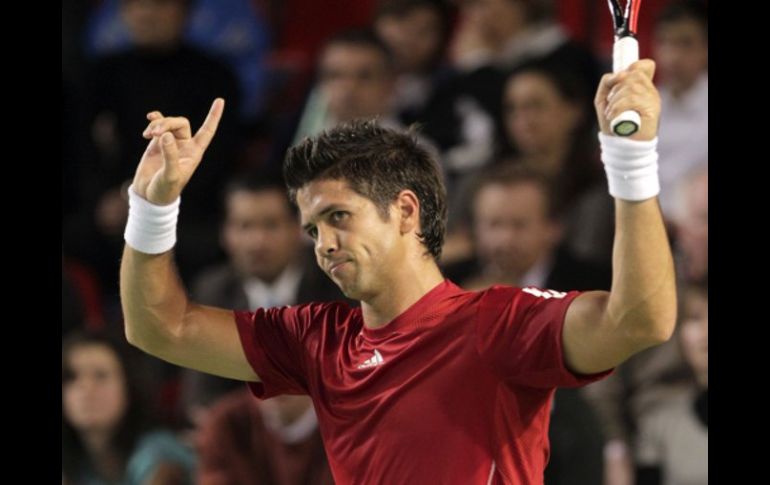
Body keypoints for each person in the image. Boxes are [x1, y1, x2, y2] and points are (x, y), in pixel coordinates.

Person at [120, 56, 676, 483]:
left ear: (405, 210)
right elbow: (159, 327)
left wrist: (631, 160)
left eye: (339, 217)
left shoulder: (500, 323)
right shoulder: (317, 341)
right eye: (313, 229)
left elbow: (640, 320)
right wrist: (151, 207)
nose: (323, 244)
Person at [62, 331, 195, 484]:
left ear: (130, 386)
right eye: (71, 377)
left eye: (101, 375)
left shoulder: (160, 454)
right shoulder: (76, 463)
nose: (85, 388)